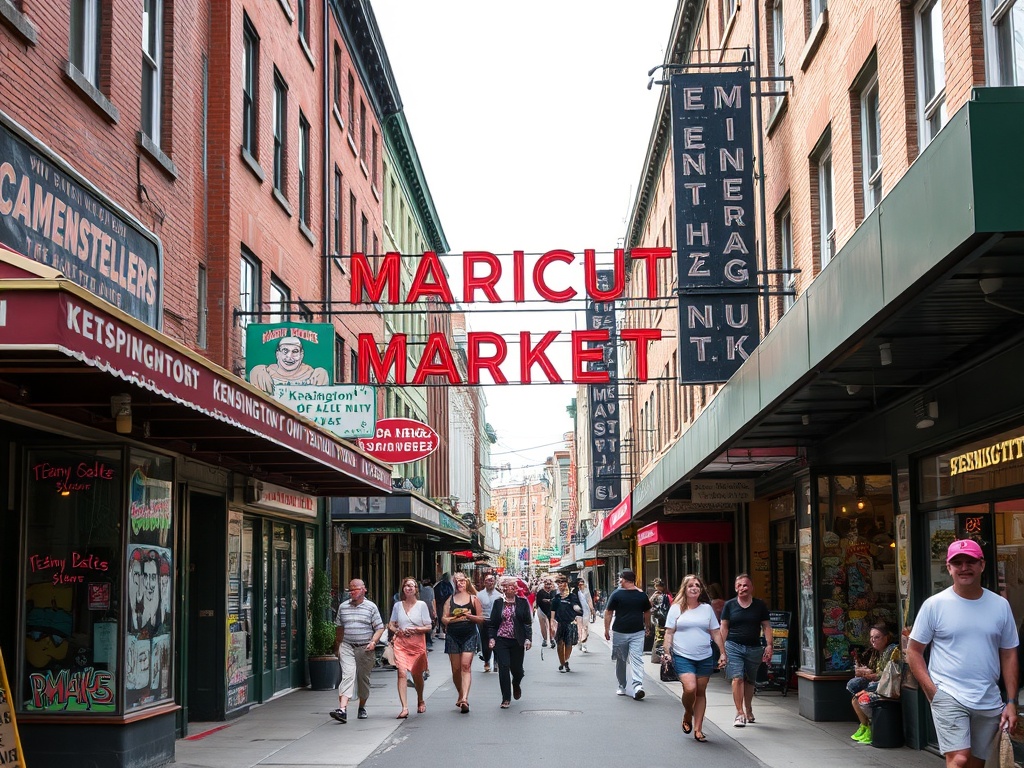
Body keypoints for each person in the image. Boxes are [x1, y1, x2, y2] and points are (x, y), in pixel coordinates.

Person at [907, 539, 1019, 768]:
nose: (964, 567)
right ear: (949, 568)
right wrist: (933, 691)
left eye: (971, 561)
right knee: (958, 759)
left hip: (988, 698)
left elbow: (1009, 654)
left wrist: (1011, 701)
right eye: (957, 563)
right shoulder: (934, 605)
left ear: (982, 565)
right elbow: (914, 651)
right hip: (948, 693)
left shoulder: (1000, 605)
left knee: (976, 763)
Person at [663, 574, 727, 743]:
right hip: (682, 655)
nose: (694, 588)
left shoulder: (706, 608)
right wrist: (667, 652)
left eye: (697, 585)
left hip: (705, 656)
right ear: (685, 588)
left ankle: (698, 729)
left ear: (701, 589)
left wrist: (722, 652)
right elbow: (669, 632)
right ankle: (687, 713)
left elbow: (715, 631)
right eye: (690, 585)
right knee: (690, 688)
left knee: (701, 691)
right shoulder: (676, 608)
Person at [719, 573, 772, 727]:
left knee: (749, 681)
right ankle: (739, 712)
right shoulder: (729, 605)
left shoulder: (759, 605)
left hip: (754, 648)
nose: (743, 588)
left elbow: (766, 626)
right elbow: (724, 627)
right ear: (736, 588)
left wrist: (769, 645)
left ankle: (748, 708)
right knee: (737, 678)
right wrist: (722, 649)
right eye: (740, 585)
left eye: (746, 585)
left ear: (751, 588)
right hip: (733, 646)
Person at [330, 578, 385, 724]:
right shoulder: (343, 607)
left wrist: (373, 642)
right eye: (350, 590)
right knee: (348, 676)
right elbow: (339, 628)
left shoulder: (371, 607)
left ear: (363, 590)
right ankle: (342, 709)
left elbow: (380, 627)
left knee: (363, 680)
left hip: (365, 648)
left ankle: (362, 707)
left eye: (355, 589)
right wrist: (337, 646)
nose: (352, 592)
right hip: (347, 645)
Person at [603, 568, 652, 700]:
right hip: (622, 632)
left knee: (635, 659)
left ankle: (637, 687)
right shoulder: (619, 594)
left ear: (624, 579)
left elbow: (647, 611)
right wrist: (647, 626)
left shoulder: (639, 595)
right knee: (621, 660)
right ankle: (622, 685)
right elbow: (609, 612)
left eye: (620, 578)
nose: (619, 581)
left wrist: (607, 629)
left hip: (633, 633)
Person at [847, 623, 900, 744]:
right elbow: (874, 670)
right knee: (853, 686)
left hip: (888, 687)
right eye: (871, 637)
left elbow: (887, 676)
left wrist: (868, 676)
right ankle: (864, 726)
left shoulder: (891, 650)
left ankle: (869, 727)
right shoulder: (876, 652)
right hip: (878, 683)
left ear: (886, 638)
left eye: (877, 637)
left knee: (859, 697)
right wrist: (865, 671)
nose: (873, 640)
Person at [387, 577, 431, 718]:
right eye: (406, 586)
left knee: (417, 675)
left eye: (411, 586)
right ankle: (404, 707)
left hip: (417, 644)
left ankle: (420, 699)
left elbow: (428, 626)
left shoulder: (422, 605)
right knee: (401, 673)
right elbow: (391, 624)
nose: (408, 588)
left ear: (416, 589)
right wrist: (397, 631)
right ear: (403, 589)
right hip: (401, 643)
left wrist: (416, 630)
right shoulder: (398, 605)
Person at [441, 572, 485, 713]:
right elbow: (444, 618)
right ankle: (460, 693)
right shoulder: (450, 600)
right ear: (454, 583)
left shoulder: (473, 599)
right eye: (457, 581)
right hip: (453, 635)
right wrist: (452, 619)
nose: (460, 583)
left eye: (462, 581)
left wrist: (469, 616)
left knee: (465, 666)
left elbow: (481, 619)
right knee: (456, 669)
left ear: (466, 582)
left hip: (469, 634)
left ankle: (465, 698)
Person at [487, 576, 533, 708]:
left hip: (517, 640)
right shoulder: (498, 603)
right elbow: (493, 624)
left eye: (514, 586)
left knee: (518, 670)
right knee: (504, 666)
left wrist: (528, 639)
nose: (513, 588)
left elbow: (527, 623)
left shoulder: (522, 603)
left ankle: (516, 683)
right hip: (502, 640)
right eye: (510, 586)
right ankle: (506, 698)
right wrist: (491, 638)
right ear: (504, 588)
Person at [249, 336, 329, 394]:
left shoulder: (315, 375)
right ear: (277, 354)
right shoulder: (262, 374)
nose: (289, 356)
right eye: (285, 351)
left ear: (301, 355)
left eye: (295, 351)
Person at [552, 578, 582, 672]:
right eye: (559, 584)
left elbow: (576, 605)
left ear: (566, 584)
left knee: (569, 644)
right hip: (560, 623)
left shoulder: (572, 596)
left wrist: (576, 608)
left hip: (570, 623)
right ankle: (562, 663)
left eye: (563, 583)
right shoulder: (556, 598)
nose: (561, 585)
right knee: (560, 643)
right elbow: (553, 610)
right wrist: (552, 622)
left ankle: (566, 660)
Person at [476, 573, 500, 672]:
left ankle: (496, 661)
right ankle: (486, 660)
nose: (490, 582)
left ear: (494, 582)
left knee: (496, 642)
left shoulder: (499, 595)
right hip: (484, 621)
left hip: (495, 621)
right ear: (484, 583)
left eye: (491, 580)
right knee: (485, 643)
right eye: (487, 581)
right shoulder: (479, 595)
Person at [649, 577, 673, 657]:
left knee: (659, 635)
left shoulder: (657, 595)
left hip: (658, 618)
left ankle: (657, 655)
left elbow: (649, 604)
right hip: (668, 617)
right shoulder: (668, 594)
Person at [534, 578, 557, 648]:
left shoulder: (554, 592)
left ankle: (552, 639)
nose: (548, 585)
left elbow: (556, 600)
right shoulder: (540, 592)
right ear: (544, 584)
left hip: (551, 610)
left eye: (549, 584)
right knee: (543, 625)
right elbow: (538, 601)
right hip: (542, 609)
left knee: (552, 625)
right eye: (546, 584)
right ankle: (545, 639)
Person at [575, 577, 596, 653]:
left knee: (585, 628)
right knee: (580, 628)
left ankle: (583, 642)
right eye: (580, 584)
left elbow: (589, 601)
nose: (581, 585)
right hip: (578, 613)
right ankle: (582, 643)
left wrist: (593, 611)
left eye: (582, 583)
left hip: (586, 612)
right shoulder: (575, 591)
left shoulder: (586, 591)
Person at [433, 573, 454, 639]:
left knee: (441, 616)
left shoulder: (439, 584)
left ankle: (441, 630)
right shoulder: (447, 584)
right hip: (442, 603)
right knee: (442, 616)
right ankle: (442, 630)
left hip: (441, 603)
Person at [419, 577, 435, 649]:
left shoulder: (422, 591)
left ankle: (426, 641)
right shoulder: (430, 590)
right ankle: (428, 641)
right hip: (428, 609)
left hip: (424, 609)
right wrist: (434, 611)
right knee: (428, 624)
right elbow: (432, 601)